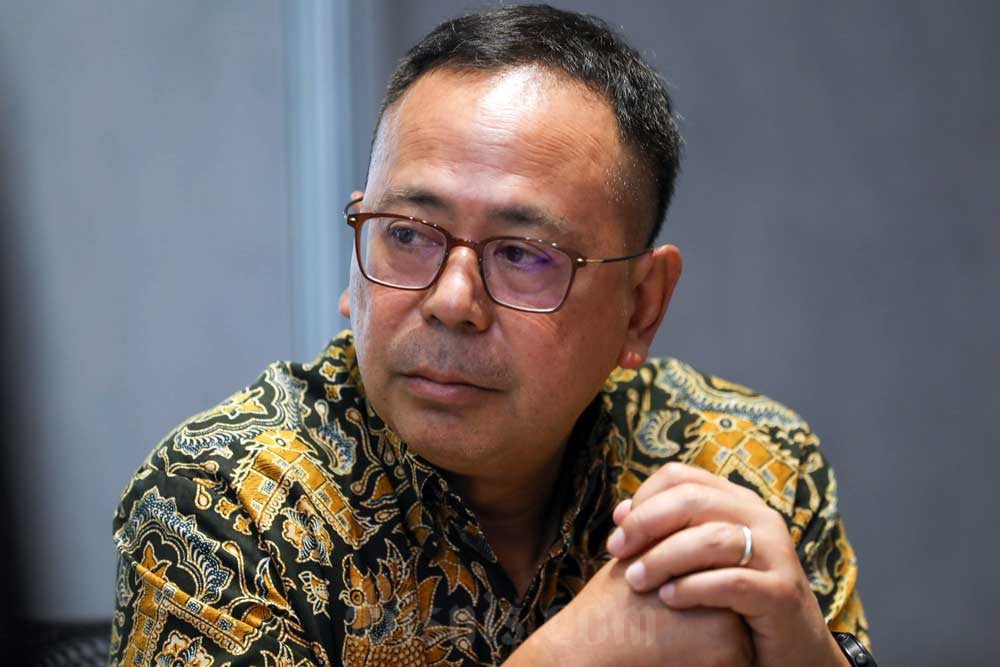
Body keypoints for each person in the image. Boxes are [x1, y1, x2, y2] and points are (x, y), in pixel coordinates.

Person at [110, 5, 873, 666]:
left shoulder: (747, 467)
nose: (452, 302)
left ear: (641, 306)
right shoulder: (225, 502)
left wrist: (805, 648)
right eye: (407, 234)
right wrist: (575, 653)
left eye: (523, 254)